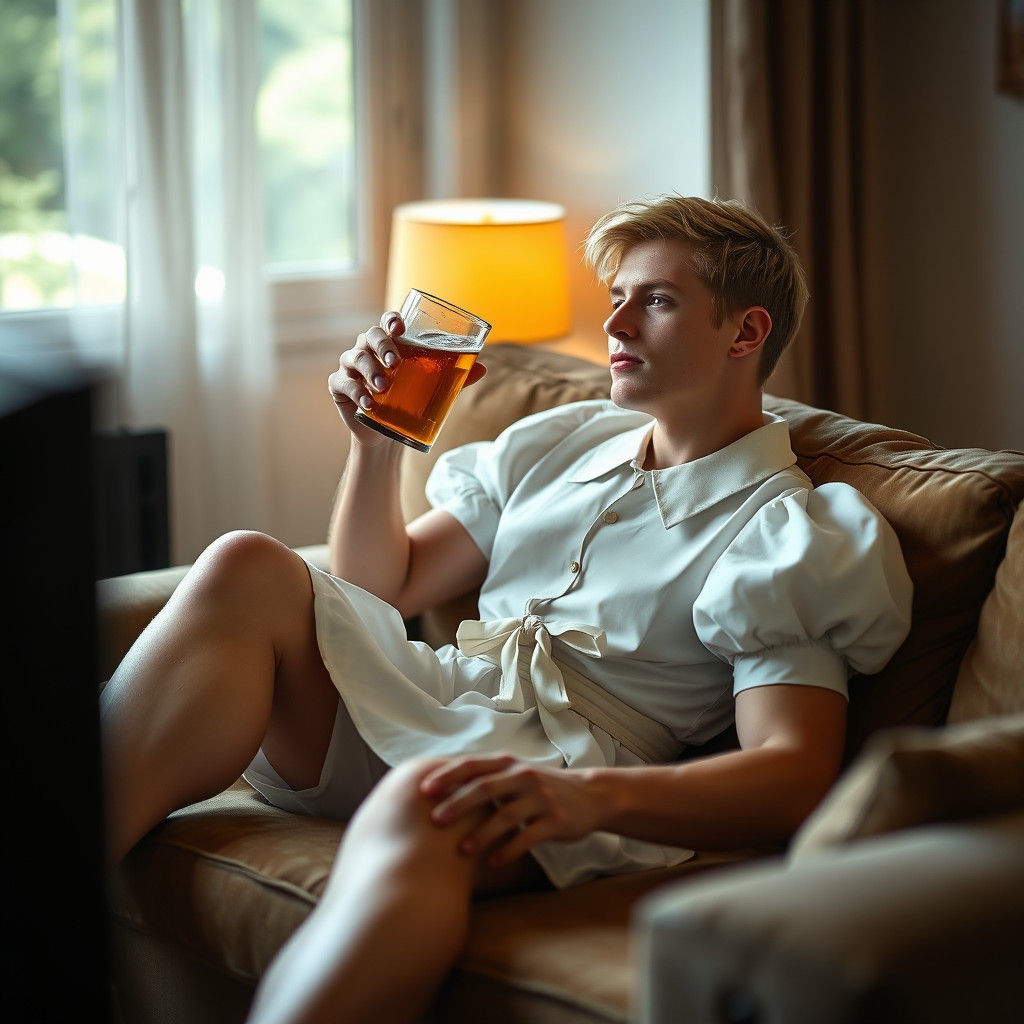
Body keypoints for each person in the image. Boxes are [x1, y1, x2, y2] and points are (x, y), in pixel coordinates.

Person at [100, 195, 913, 1024]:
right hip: (432, 696)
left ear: (745, 334)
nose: (618, 324)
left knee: (436, 794)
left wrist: (591, 800)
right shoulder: (560, 443)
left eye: (657, 301)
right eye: (617, 299)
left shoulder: (786, 530)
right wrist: (374, 447)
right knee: (246, 562)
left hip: (560, 771)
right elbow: (380, 589)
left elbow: (794, 771)